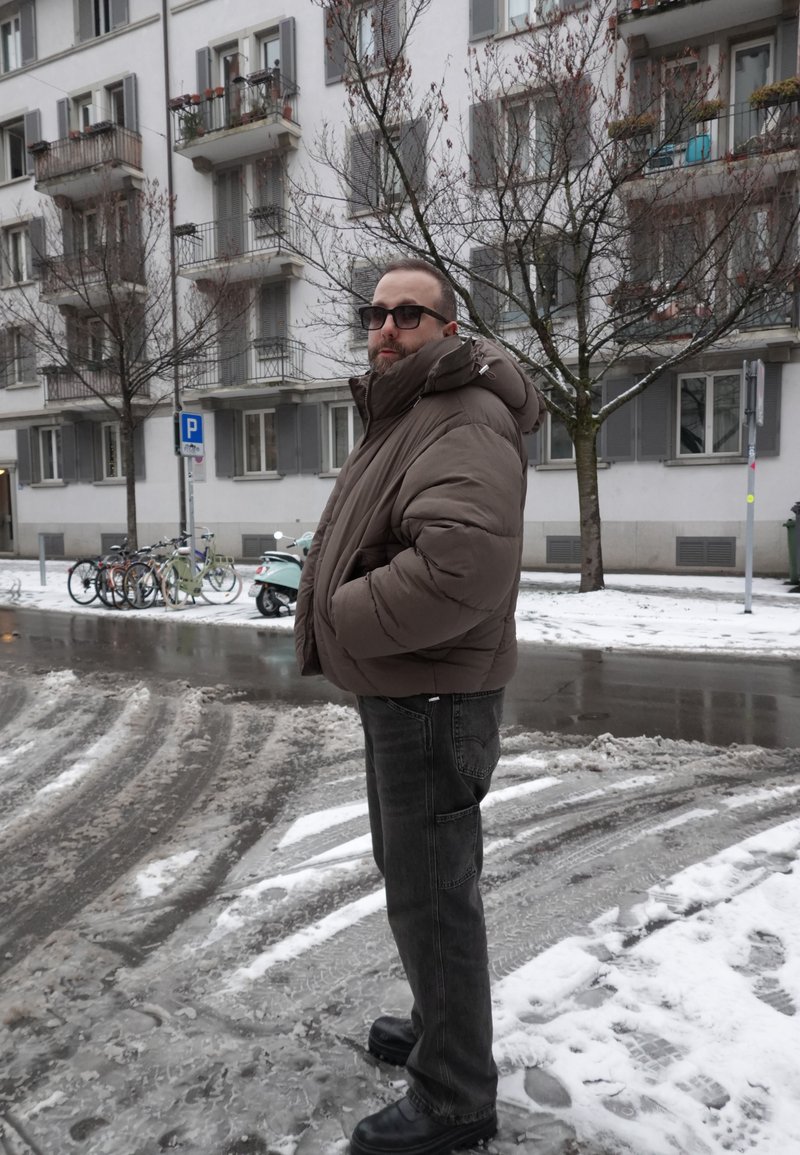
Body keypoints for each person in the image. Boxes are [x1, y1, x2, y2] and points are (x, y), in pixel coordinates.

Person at [294, 258, 543, 1155]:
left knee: (434, 897)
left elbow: (459, 566)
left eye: (409, 314)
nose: (387, 328)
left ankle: (455, 1095)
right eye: (376, 314)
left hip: (432, 691)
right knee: (420, 886)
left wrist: (341, 612)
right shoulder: (412, 408)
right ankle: (442, 1030)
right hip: (409, 685)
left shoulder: (463, 413)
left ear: (447, 328)